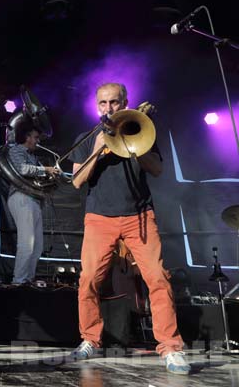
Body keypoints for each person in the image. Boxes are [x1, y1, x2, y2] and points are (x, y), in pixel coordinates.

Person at [68, 82, 190, 375]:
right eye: (103, 104)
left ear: (125, 103)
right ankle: (90, 339)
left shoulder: (140, 128)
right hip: (99, 217)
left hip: (139, 216)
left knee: (158, 278)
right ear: (97, 106)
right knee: (88, 280)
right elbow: (76, 181)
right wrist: (98, 149)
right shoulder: (87, 138)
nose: (108, 108)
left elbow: (158, 169)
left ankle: (171, 348)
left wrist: (136, 147)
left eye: (114, 102)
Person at [7, 119, 60, 285]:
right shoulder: (17, 150)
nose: (38, 141)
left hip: (34, 200)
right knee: (27, 244)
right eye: (36, 137)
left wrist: (51, 177)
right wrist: (45, 170)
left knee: (36, 247)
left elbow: (39, 177)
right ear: (26, 136)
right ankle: (19, 281)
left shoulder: (33, 157)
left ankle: (28, 280)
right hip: (22, 197)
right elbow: (22, 169)